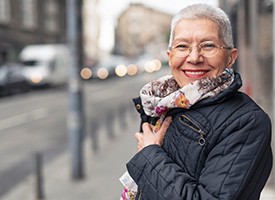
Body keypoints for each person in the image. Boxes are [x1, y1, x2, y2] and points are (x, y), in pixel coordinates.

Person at [122, 3, 273, 200]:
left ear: (231, 57)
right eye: (182, 46)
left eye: (208, 45)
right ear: (170, 56)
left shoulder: (247, 122)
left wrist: (150, 155)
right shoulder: (161, 104)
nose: (194, 57)